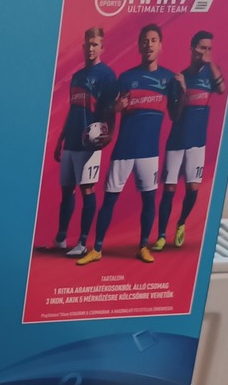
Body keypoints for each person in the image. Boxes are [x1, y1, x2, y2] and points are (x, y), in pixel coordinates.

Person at [77, 24, 182, 267]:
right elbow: (104, 109)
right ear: (139, 46)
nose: (149, 44)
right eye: (145, 41)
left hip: (149, 153)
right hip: (123, 151)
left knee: (148, 201)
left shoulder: (169, 79)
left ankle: (143, 246)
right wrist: (114, 110)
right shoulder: (126, 78)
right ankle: (97, 249)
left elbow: (176, 115)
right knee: (109, 201)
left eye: (153, 40)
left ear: (160, 45)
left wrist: (183, 91)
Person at [153, 29, 225, 250]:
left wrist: (212, 63)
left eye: (209, 49)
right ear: (192, 49)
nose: (205, 52)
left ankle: (181, 223)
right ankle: (161, 235)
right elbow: (174, 116)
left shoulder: (211, 74)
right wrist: (183, 90)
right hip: (176, 142)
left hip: (197, 143)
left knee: (193, 188)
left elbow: (222, 89)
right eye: (202, 48)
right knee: (169, 190)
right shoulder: (179, 78)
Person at [49, 26, 117, 257]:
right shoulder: (77, 76)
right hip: (71, 141)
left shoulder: (107, 76)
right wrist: (60, 139)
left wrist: (109, 135)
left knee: (87, 189)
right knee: (66, 190)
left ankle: (82, 242)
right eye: (88, 44)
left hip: (90, 144)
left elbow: (110, 109)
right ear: (83, 46)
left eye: (95, 44)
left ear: (102, 47)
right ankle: (60, 238)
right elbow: (73, 109)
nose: (91, 48)